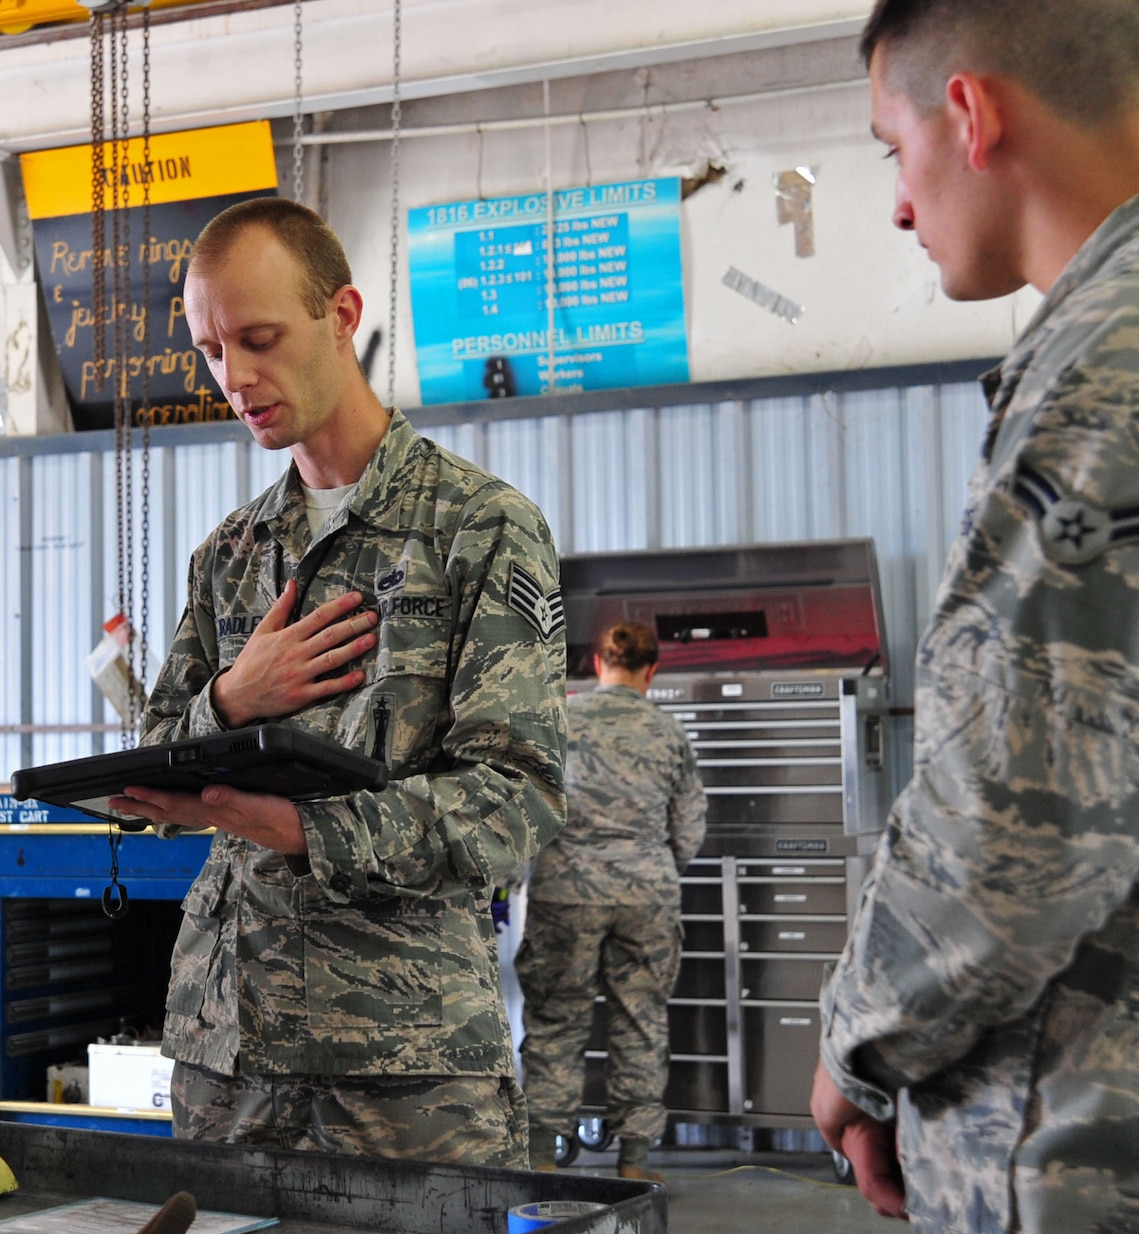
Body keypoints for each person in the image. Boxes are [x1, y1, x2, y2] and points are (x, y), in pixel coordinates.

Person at [811, 0, 1139, 1234]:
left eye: (889, 146)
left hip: (1132, 1155)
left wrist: (863, 1045)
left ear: (971, 115)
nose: (901, 206)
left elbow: (1027, 809)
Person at [107, 197, 567, 1168]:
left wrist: (307, 831)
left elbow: (513, 799)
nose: (235, 378)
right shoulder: (229, 553)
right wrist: (232, 700)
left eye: (261, 339)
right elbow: (150, 770)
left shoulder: (475, 530)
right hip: (226, 1051)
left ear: (342, 314)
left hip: (402, 1062)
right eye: (210, 350)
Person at [517, 620, 704, 1179]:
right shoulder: (668, 733)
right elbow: (689, 831)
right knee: (641, 1020)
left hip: (565, 892)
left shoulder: (561, 721)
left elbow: (526, 811)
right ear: (653, 670)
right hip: (647, 894)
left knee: (556, 1019)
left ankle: (539, 1159)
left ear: (596, 664)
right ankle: (634, 1162)